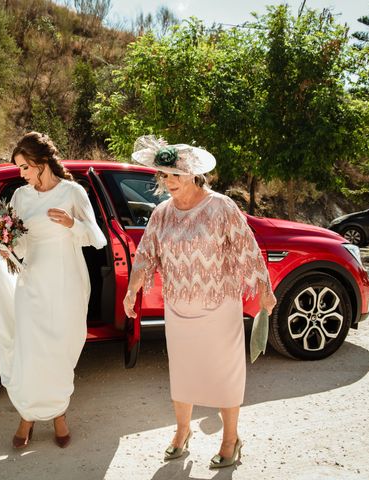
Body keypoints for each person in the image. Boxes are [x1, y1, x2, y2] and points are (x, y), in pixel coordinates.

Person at [122, 135, 276, 468]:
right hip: (178, 306)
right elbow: (146, 253)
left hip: (219, 306)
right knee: (183, 372)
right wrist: (132, 289)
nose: (169, 181)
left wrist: (264, 286)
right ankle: (182, 432)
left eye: (175, 174)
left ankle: (230, 438)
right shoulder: (162, 213)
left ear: (193, 172)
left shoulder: (221, 206)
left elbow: (247, 247)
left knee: (225, 373)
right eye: (164, 175)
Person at [4, 131, 107, 448]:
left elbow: (98, 238)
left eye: (24, 167)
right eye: (20, 169)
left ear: (40, 162)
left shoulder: (73, 192)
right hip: (32, 281)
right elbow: (19, 244)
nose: (22, 175)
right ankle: (27, 416)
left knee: (61, 352)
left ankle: (59, 414)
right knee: (31, 352)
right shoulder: (21, 197)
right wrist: (5, 244)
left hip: (66, 283)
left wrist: (71, 225)